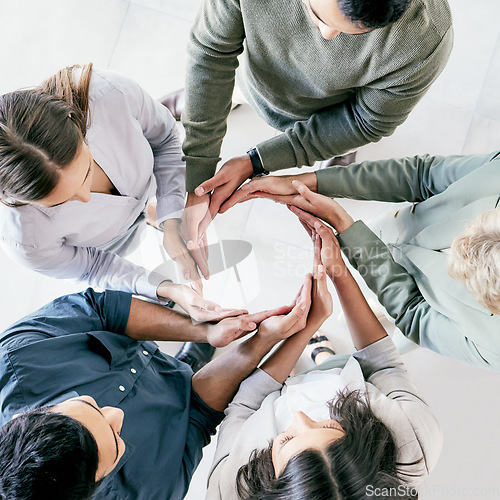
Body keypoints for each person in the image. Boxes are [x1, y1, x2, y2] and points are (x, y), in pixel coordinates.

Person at [173, 0, 453, 279]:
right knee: (209, 93)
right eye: (319, 17)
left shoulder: (425, 40)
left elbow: (364, 121)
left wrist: (257, 162)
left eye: (354, 30)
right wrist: (197, 170)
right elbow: (211, 51)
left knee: (341, 137)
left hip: (324, 111)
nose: (327, 35)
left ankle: (336, 152)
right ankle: (210, 101)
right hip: (251, 77)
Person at [0, 275, 319, 500]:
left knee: (193, 357)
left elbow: (101, 309)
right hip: (183, 400)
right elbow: (198, 413)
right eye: (115, 439)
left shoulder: (15, 360)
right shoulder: (151, 491)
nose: (116, 413)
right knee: (187, 383)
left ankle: (194, 352)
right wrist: (263, 341)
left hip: (145, 350)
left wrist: (204, 332)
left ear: (20, 419)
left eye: (89, 405)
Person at [207, 216, 441, 499]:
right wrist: (339, 272)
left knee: (275, 386)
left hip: (267, 394)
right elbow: (383, 364)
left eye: (287, 439)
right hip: (346, 374)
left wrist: (307, 328)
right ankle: (323, 357)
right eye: (330, 425)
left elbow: (244, 405)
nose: (302, 416)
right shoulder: (414, 440)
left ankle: (294, 373)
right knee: (328, 364)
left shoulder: (229, 488)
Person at [225, 150, 500, 370]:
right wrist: (310, 182)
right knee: (376, 296)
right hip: (389, 232)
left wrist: (345, 227)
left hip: (429, 308)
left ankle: (381, 311)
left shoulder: (492, 345)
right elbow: (421, 175)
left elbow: (414, 313)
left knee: (402, 327)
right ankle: (376, 304)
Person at [0, 63, 220, 322]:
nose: (86, 198)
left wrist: (171, 219)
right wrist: (164, 288)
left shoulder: (108, 93)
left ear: (74, 120)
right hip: (110, 244)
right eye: (60, 203)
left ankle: (151, 209)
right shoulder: (27, 241)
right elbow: (94, 267)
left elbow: (165, 140)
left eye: (87, 173)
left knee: (152, 133)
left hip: (146, 180)